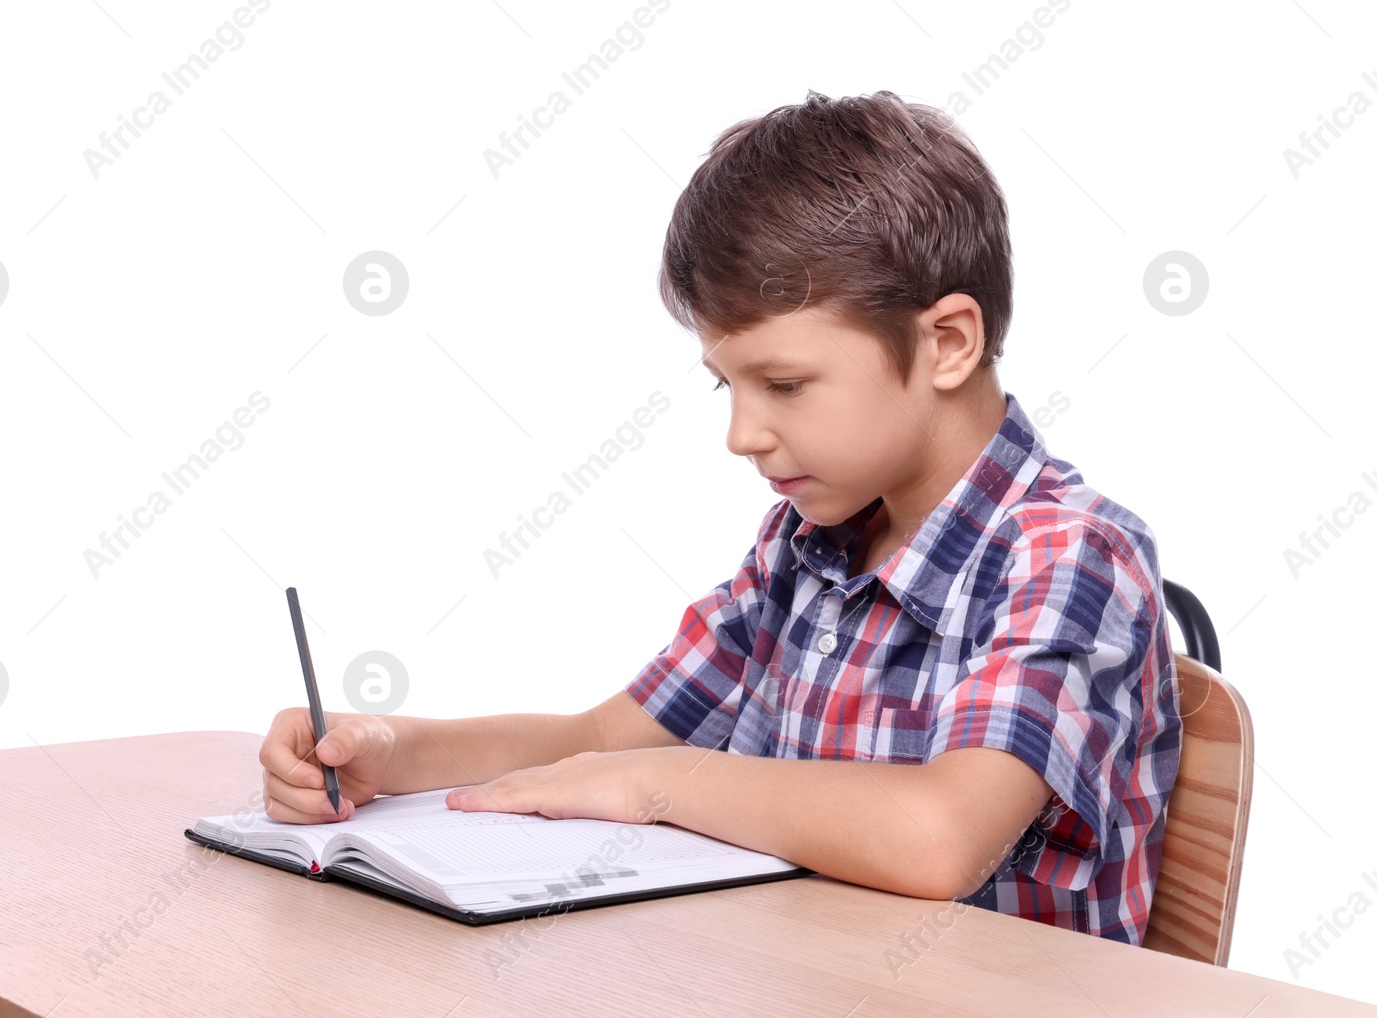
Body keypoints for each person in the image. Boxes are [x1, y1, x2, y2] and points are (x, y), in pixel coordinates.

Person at [258, 89, 1180, 944]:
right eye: (725, 386)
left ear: (946, 342)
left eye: (783, 383)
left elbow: (940, 836)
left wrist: (662, 786)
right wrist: (400, 748)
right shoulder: (805, 550)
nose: (742, 433)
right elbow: (602, 740)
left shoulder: (1067, 554)